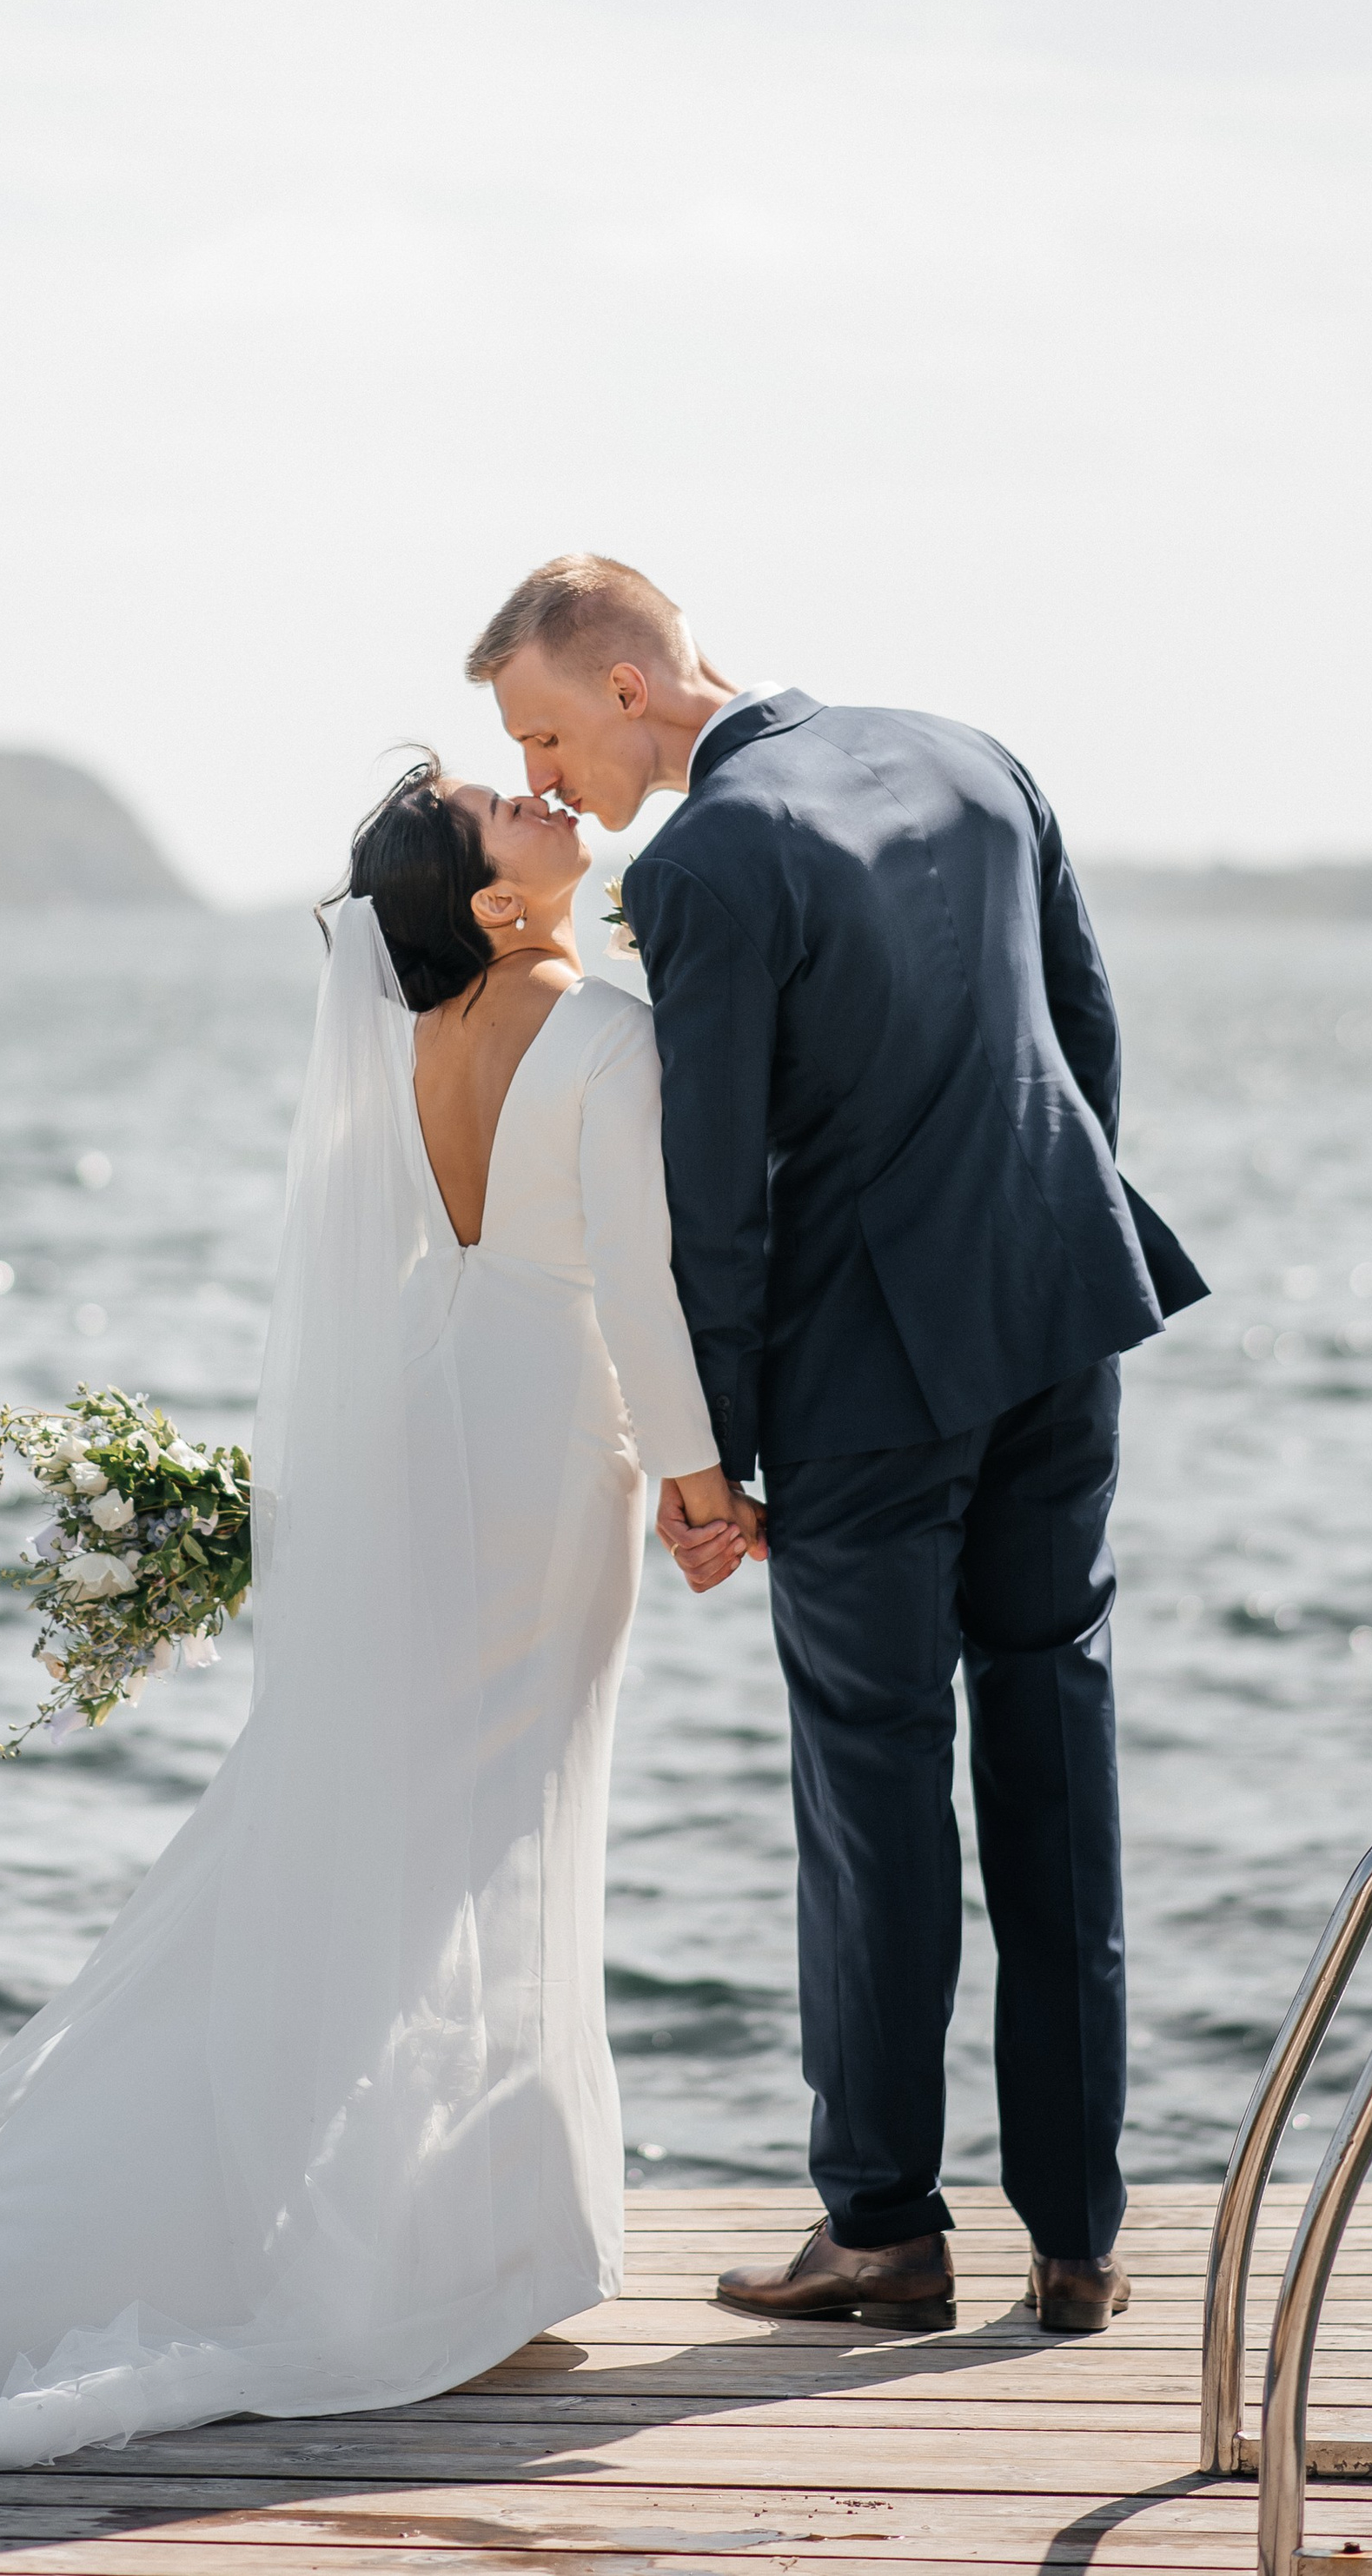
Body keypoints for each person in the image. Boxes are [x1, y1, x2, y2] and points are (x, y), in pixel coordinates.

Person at [0, 758, 732, 2461]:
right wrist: (701, 1475)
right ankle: (462, 2236)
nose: (540, 800)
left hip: (431, 1428)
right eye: (504, 810)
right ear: (496, 906)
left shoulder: (416, 1035)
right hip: (551, 1440)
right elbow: (637, 1279)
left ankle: (460, 2223)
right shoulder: (599, 1033)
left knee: (431, 1821)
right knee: (507, 1820)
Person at [468, 556, 1207, 2338]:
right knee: (1052, 1756)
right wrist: (1039, 1243)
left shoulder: (704, 862)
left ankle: (880, 2229)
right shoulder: (971, 753)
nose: (549, 778)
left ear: (633, 682)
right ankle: (1079, 2237)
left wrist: (703, 1450)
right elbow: (1082, 1036)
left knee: (872, 1795)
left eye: (549, 733)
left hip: (870, 1380)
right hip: (1056, 1315)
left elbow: (711, 1189)